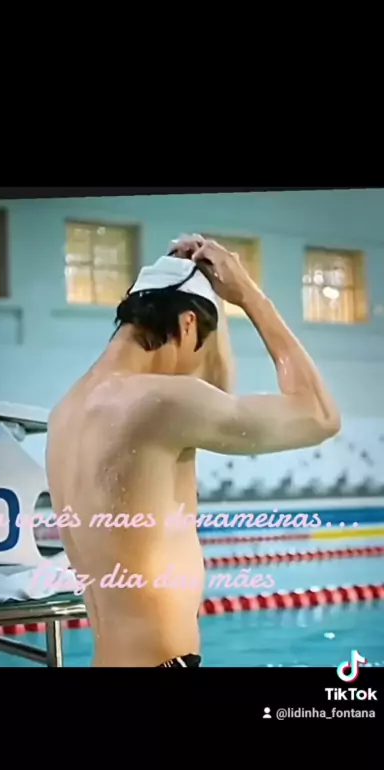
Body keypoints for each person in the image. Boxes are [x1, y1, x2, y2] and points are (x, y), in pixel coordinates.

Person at [46, 235, 341, 667]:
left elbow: (215, 389)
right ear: (187, 325)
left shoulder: (66, 412)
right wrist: (248, 295)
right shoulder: (159, 403)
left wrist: (201, 289)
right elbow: (320, 416)